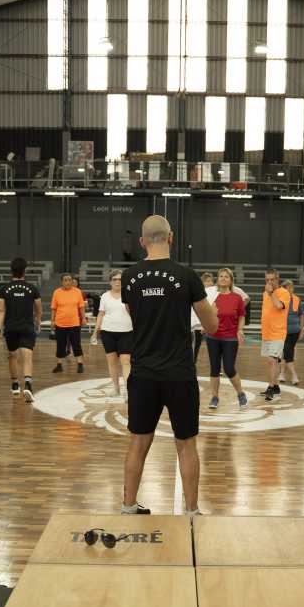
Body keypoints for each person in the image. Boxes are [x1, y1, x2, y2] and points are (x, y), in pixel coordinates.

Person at [121, 215, 218, 516]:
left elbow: (134, 315)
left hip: (143, 372)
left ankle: (128, 506)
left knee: (138, 442)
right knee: (186, 444)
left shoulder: (129, 277)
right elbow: (212, 326)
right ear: (171, 237)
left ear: (142, 241)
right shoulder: (186, 276)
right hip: (179, 373)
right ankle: (191, 511)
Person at [0, 257, 42, 402]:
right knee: (27, 356)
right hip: (27, 327)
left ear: (12, 271)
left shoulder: (4, 289)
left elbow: (0, 310)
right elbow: (38, 309)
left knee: (12, 356)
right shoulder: (32, 289)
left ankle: (15, 384)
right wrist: (38, 322)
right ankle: (28, 384)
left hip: (11, 328)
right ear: (24, 271)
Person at [205, 267, 247, 410]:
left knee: (229, 368)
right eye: (221, 276)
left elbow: (242, 316)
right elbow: (205, 315)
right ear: (218, 279)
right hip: (213, 337)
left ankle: (241, 394)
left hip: (230, 338)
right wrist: (207, 321)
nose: (223, 278)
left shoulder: (237, 298)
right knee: (214, 368)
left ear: (231, 280)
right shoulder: (212, 297)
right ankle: (214, 397)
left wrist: (240, 329)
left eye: (226, 276)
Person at [93, 269, 132, 397]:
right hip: (107, 332)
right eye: (114, 279)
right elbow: (101, 314)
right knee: (112, 361)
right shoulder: (105, 296)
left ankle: (128, 391)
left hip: (126, 331)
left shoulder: (129, 294)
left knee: (126, 361)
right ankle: (116, 389)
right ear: (110, 281)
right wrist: (95, 331)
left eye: (120, 279)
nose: (117, 282)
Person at [260, 268, 290, 401]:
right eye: (267, 280)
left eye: (272, 279)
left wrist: (271, 293)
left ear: (278, 279)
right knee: (270, 362)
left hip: (278, 332)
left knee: (272, 360)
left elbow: (279, 306)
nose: (269, 282)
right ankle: (275, 387)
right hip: (267, 332)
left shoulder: (284, 293)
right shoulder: (264, 294)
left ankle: (271, 388)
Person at [50, 273, 85, 374]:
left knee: (76, 344)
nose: (68, 282)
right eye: (65, 280)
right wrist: (52, 320)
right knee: (60, 344)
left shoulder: (77, 292)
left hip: (74, 323)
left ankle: (80, 364)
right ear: (62, 282)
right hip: (60, 323)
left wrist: (83, 318)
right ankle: (59, 365)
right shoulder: (56, 292)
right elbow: (53, 308)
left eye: (69, 280)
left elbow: (81, 307)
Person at [279, 279, 304, 386]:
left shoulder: (297, 299)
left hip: (295, 331)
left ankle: (282, 374)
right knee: (288, 353)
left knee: (288, 353)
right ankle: (294, 375)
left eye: (290, 287)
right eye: (286, 288)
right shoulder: (279, 300)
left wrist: (302, 330)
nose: (289, 289)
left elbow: (301, 315)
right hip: (283, 331)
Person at [192, 272, 214, 363]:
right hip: (198, 325)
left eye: (211, 281)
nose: (210, 283)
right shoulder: (198, 294)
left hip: (209, 324)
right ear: (202, 283)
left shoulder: (214, 293)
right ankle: (192, 362)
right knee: (195, 345)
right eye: (207, 281)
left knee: (213, 346)